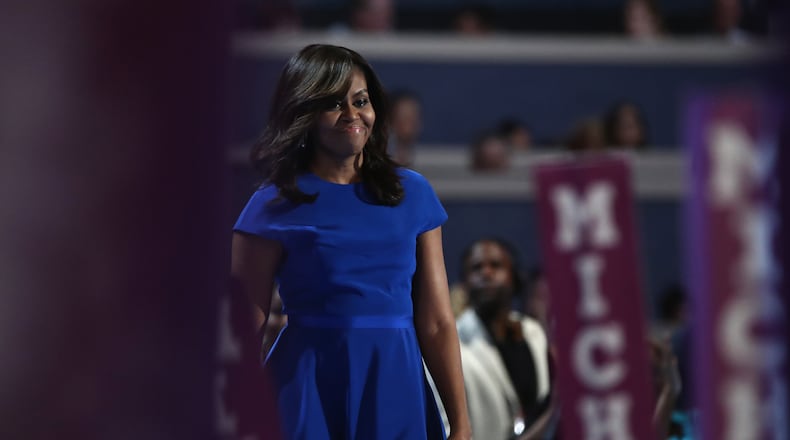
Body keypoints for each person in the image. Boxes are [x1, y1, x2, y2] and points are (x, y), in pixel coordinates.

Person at [230, 44, 471, 440]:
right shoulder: (271, 204)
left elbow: (437, 322)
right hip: (305, 387)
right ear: (304, 114)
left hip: (397, 382)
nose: (353, 115)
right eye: (334, 103)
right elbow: (242, 330)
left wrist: (461, 424)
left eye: (361, 101)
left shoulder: (412, 193)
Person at [452, 238, 555, 439]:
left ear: (514, 277)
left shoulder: (533, 333)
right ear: (464, 283)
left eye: (496, 266)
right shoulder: (452, 344)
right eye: (476, 268)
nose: (486, 273)